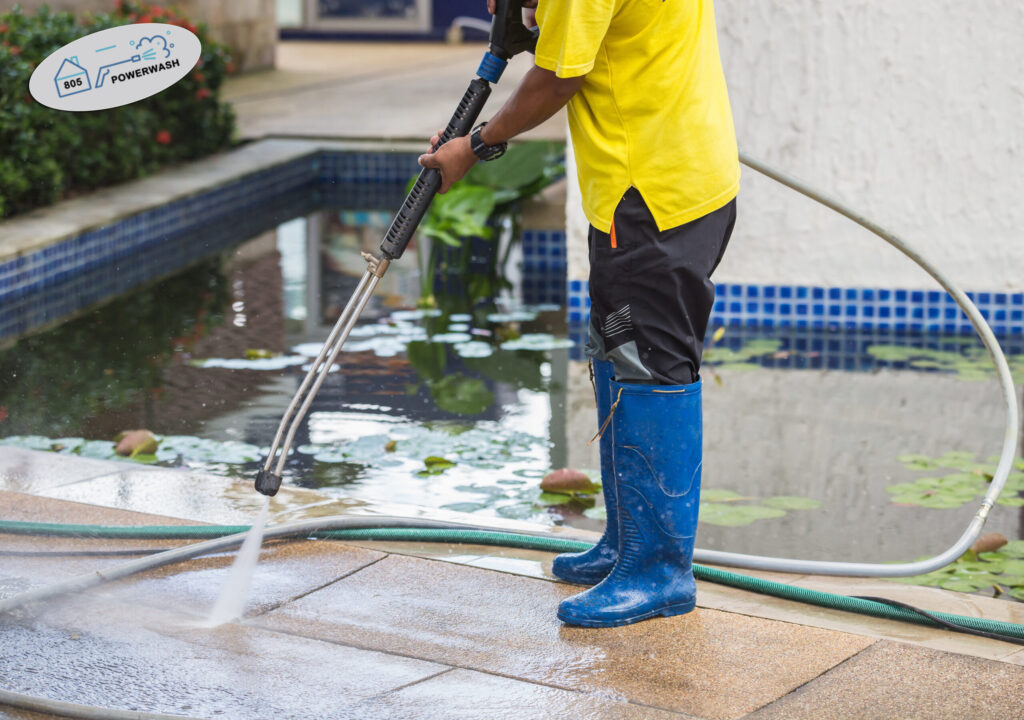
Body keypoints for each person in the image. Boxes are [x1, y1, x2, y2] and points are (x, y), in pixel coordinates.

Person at [419, 0, 739, 628]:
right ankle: (627, 547)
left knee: (650, 366)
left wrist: (475, 144)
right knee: (619, 352)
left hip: (648, 196)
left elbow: (557, 78)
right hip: (675, 181)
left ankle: (658, 573)